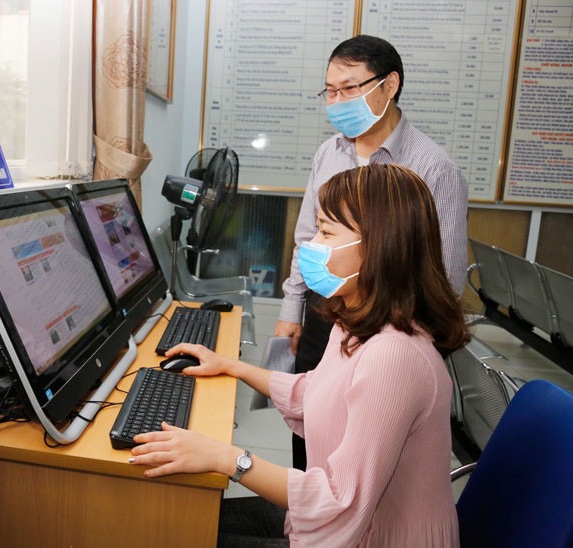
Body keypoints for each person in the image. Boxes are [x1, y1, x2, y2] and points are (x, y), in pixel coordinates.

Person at [129, 164, 470, 547]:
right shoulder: (356, 321)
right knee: (178, 518)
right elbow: (317, 392)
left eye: (325, 231)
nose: (311, 243)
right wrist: (232, 367)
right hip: (350, 525)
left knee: (172, 531)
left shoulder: (394, 358)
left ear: (378, 246)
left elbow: (339, 499)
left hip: (376, 538)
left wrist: (227, 458)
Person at [277, 35, 469, 469]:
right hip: (325, 312)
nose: (337, 100)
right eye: (329, 90)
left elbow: (448, 279)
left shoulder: (434, 169)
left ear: (390, 84)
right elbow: (307, 236)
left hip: (389, 331)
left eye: (350, 87)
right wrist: (292, 307)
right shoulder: (328, 153)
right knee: (312, 439)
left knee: (366, 457)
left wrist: (395, 349)